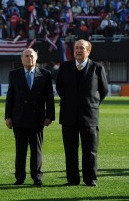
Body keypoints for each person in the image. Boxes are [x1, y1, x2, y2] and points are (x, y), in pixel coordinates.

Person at [56, 39, 109, 187]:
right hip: (68, 116)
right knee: (70, 151)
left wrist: (92, 104)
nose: (79, 50)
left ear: (88, 51)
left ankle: (90, 179)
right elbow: (60, 88)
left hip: (89, 116)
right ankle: (72, 180)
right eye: (76, 48)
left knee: (90, 150)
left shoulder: (97, 68)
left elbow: (103, 90)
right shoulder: (64, 67)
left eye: (82, 48)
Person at [5, 48, 55, 186]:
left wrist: (50, 115)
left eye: (31, 56)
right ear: (21, 59)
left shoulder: (45, 74)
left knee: (36, 150)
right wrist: (8, 116)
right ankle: (20, 177)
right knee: (20, 150)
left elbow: (49, 97)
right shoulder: (14, 74)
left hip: (37, 119)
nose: (29, 58)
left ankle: (37, 177)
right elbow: (10, 97)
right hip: (19, 119)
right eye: (26, 56)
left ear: (36, 58)